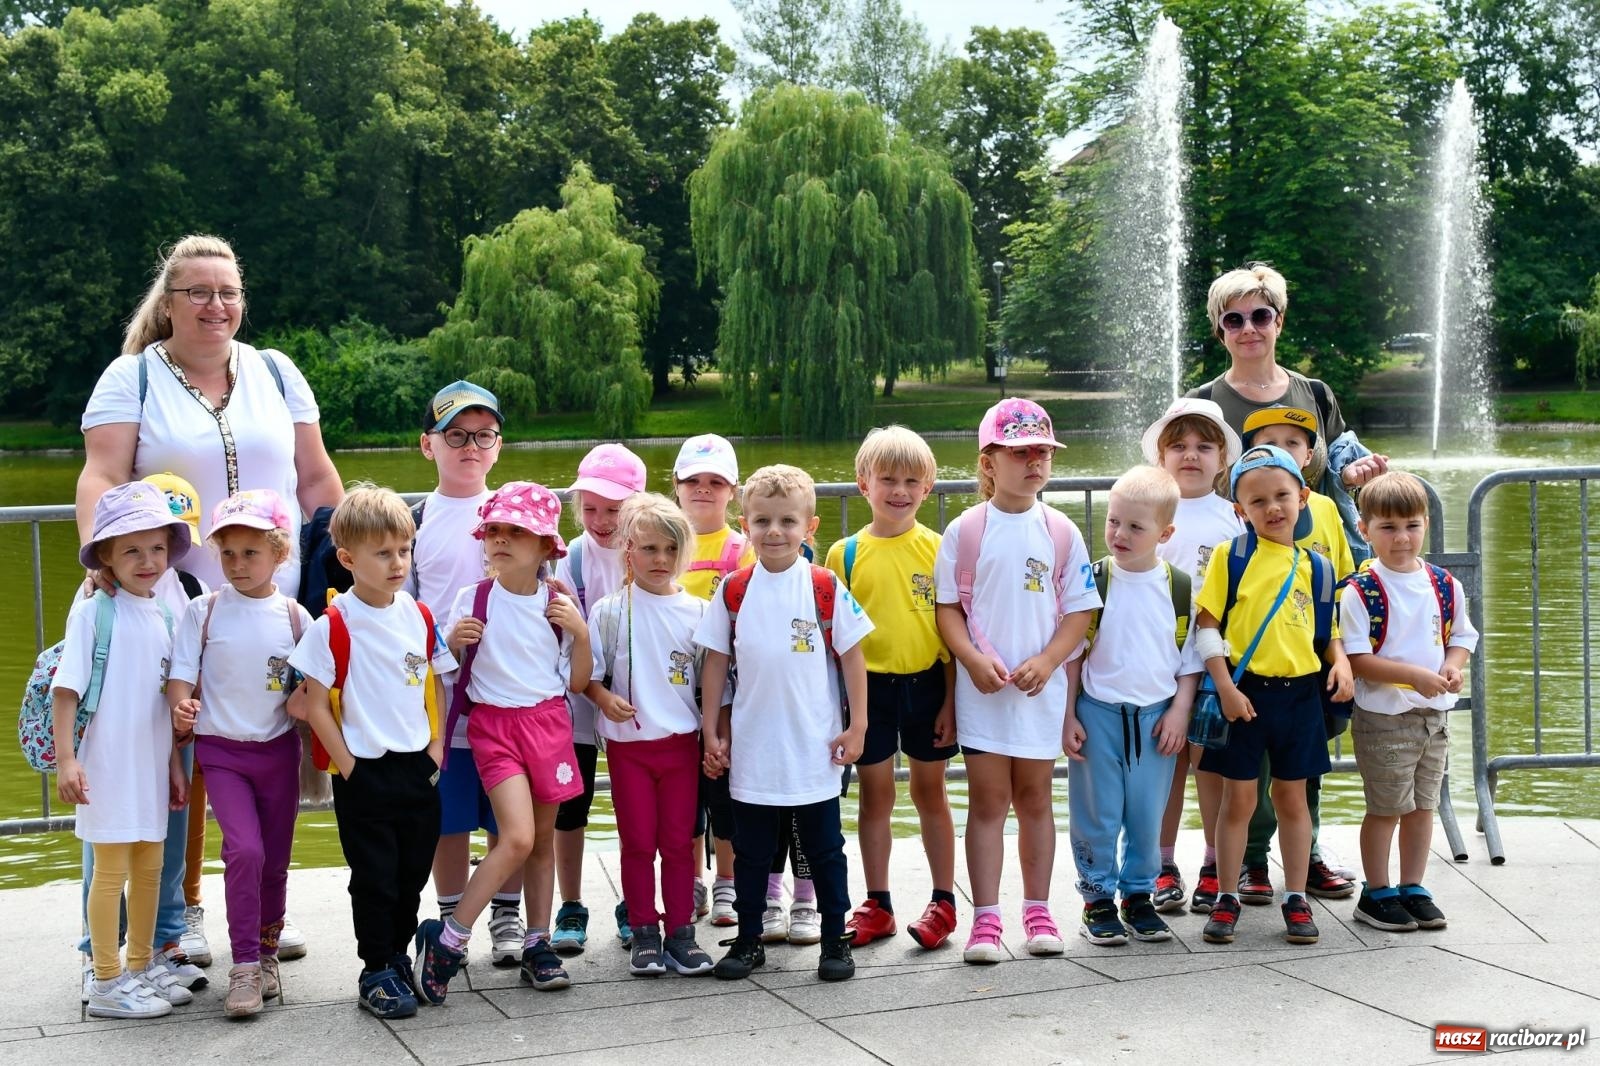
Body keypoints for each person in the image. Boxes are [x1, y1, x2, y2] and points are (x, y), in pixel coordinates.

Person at [76, 234, 342, 969]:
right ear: (168, 305)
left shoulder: (275, 372)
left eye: (227, 292)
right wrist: (100, 554)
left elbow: (316, 481)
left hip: (274, 608)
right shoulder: (131, 377)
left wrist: (347, 565)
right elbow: (100, 476)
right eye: (198, 292)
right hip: (167, 600)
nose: (215, 305)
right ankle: (177, 915)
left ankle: (255, 913)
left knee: (262, 753)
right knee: (179, 754)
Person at [410, 481, 594, 1003]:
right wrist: (450, 642)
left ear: (545, 547)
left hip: (549, 726)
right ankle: (449, 940)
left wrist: (580, 634)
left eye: (518, 532)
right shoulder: (474, 598)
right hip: (494, 728)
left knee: (540, 842)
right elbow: (441, 668)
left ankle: (538, 943)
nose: (501, 540)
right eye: (494, 530)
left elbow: (578, 681)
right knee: (515, 837)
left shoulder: (558, 602)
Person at [934, 398, 1099, 964]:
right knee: (987, 801)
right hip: (984, 694)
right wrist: (973, 660)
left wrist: (1051, 660)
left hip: (1038, 693)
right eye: (1020, 452)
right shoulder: (964, 530)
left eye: (1042, 453)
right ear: (988, 462)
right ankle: (985, 917)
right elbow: (948, 609)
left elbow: (1079, 609)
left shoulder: (1060, 531)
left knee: (1034, 799)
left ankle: (1037, 908)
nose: (1034, 462)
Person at [697, 465, 873, 983]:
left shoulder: (823, 587)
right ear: (744, 523)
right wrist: (712, 730)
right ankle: (749, 938)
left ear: (809, 527)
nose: (774, 532)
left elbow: (854, 657)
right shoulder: (732, 590)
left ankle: (835, 935)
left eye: (787, 521)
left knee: (824, 849)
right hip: (754, 750)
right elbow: (713, 662)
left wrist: (857, 724)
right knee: (752, 851)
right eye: (762, 521)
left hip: (814, 749)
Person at [288, 486, 455, 1019]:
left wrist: (435, 749)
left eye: (403, 550)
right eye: (383, 553)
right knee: (375, 875)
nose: (396, 563)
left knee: (412, 871)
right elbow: (314, 704)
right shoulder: (333, 624)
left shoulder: (419, 615)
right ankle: (376, 967)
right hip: (364, 769)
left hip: (417, 767)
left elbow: (438, 683)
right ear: (347, 559)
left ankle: (400, 954)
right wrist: (350, 766)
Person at [1194, 446, 1354, 946]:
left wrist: (1342, 661)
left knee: (1293, 798)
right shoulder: (1232, 556)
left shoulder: (1318, 568)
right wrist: (1223, 687)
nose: (1272, 507)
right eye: (1257, 500)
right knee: (1238, 800)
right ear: (1240, 509)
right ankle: (1227, 895)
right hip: (1244, 695)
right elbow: (1207, 627)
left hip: (1301, 696)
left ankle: (1297, 896)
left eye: (1282, 495)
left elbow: (1326, 632)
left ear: (1303, 497)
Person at [167, 489, 312, 1017]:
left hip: (278, 755)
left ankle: (269, 953)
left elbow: (318, 685)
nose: (237, 564)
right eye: (227, 553)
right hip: (222, 753)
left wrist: (307, 699)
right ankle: (245, 965)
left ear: (279, 553)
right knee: (244, 852)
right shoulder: (202, 612)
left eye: (251, 552)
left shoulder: (296, 619)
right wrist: (182, 709)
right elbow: (181, 676)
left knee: (273, 863)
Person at [54, 483, 196, 1019]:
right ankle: (107, 979)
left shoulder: (164, 615)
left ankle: (141, 965)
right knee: (110, 872)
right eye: (132, 549)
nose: (147, 560)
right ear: (106, 555)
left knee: (152, 866)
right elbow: (66, 691)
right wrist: (69, 760)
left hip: (150, 769)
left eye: (157, 548)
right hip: (107, 768)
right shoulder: (95, 613)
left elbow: (161, 701)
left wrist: (173, 767)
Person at [824, 427, 960, 951]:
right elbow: (835, 639)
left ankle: (944, 901)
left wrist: (951, 699)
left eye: (911, 481)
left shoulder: (939, 548)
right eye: (888, 480)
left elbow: (952, 630)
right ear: (864, 484)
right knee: (875, 796)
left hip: (928, 687)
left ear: (928, 488)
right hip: (869, 692)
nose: (899, 491)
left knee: (932, 792)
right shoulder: (845, 554)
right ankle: (877, 902)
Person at [408, 381, 526, 968]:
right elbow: (402, 611)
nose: (470, 447)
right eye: (456, 435)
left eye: (483, 435)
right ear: (429, 444)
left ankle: (508, 910)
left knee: (510, 817)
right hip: (443, 704)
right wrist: (441, 647)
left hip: (509, 701)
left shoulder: (516, 514)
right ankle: (451, 911)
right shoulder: (415, 520)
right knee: (448, 819)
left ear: (499, 445)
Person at [1064, 466, 1202, 946]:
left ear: (1165, 534)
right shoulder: (1093, 582)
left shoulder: (1179, 587)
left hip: (1157, 719)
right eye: (1113, 522)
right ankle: (1097, 896)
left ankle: (1139, 894)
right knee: (1096, 812)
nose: (1120, 534)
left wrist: (1180, 710)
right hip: (1098, 715)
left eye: (1136, 527)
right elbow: (1074, 656)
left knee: (1148, 812)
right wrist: (1068, 717)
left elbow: (1190, 660)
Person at [583, 494, 716, 976]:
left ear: (683, 554)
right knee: (637, 842)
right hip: (628, 749)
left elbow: (714, 684)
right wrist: (603, 699)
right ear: (628, 553)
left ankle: (681, 933)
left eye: (669, 550)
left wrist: (716, 739)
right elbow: (587, 675)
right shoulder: (609, 612)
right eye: (648, 549)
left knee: (679, 842)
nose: (659, 560)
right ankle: (643, 931)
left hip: (682, 746)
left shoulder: (700, 612)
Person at [1233, 404, 1358, 903]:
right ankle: (1254, 858)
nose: (1283, 451)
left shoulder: (1325, 510)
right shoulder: (1244, 523)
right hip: (1256, 672)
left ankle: (1308, 856)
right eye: (1269, 442)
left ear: (1310, 458)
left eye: (1293, 442)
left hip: (1311, 666)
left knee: (1304, 773)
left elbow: (1344, 584)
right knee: (1254, 774)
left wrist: (1342, 656)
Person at [1341, 472, 1477, 932]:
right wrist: (1414, 676)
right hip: (1384, 717)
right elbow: (1358, 658)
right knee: (1385, 807)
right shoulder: (1362, 590)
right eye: (1388, 527)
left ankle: (1412, 885)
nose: (1402, 538)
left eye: (1412, 526)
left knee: (1423, 806)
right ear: (1365, 530)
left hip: (1433, 718)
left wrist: (1453, 665)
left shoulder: (1444, 584)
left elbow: (1461, 637)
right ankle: (1376, 891)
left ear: (1426, 525)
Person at [1186, 262, 1387, 563]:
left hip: (1313, 561)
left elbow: (1334, 477)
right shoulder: (1202, 403)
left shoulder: (1317, 394)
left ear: (1278, 322)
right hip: (1232, 561)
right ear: (1219, 332)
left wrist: (1350, 477)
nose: (1249, 328)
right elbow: (1179, 483)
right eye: (1234, 321)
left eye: (1261, 316)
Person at [1141, 399, 1244, 916]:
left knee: (1211, 767)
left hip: (1214, 662)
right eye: (1178, 446)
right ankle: (1162, 863)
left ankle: (1212, 862)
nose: (1191, 456)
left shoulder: (1233, 518)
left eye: (1205, 447)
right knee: (1167, 763)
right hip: (1158, 656)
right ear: (1160, 455)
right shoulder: (1152, 510)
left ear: (1223, 458)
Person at [551, 444, 648, 954]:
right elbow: (567, 642)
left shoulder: (653, 547)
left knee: (637, 805)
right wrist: (596, 690)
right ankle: (571, 902)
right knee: (572, 805)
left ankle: (636, 900)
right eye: (589, 508)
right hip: (583, 699)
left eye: (613, 509)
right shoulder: (573, 558)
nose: (600, 520)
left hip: (641, 699)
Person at [672, 434, 745, 927]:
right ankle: (691, 881)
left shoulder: (742, 549)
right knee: (684, 795)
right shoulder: (663, 540)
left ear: (732, 491)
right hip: (672, 691)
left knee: (724, 787)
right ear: (676, 487)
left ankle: (728, 883)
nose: (703, 490)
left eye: (715, 482)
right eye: (693, 481)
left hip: (728, 691)